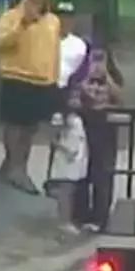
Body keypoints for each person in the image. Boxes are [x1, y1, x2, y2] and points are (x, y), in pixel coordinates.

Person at [0, 0, 62, 194]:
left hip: (42, 80)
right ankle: (16, 168)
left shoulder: (52, 21)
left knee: (30, 127)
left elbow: (54, 52)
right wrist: (23, 24)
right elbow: (1, 42)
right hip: (16, 77)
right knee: (14, 124)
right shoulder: (11, 17)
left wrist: (54, 78)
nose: (38, 1)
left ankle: (16, 165)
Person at [73, 49, 124, 230]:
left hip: (106, 126)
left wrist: (106, 76)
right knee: (82, 169)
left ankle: (100, 216)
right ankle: (81, 213)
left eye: (101, 58)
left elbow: (119, 97)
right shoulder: (81, 75)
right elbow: (77, 96)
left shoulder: (113, 77)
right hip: (85, 123)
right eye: (94, 57)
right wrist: (87, 76)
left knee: (103, 172)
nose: (97, 62)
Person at [44, 88, 88, 232]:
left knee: (72, 188)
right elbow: (53, 138)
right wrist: (65, 150)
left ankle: (67, 218)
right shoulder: (59, 117)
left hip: (77, 156)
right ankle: (64, 220)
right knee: (65, 189)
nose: (76, 101)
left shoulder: (78, 117)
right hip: (65, 156)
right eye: (72, 98)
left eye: (78, 98)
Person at [55, 2, 88, 89]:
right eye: (61, 17)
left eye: (68, 18)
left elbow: (83, 72)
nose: (64, 21)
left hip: (69, 89)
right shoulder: (44, 40)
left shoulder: (80, 45)